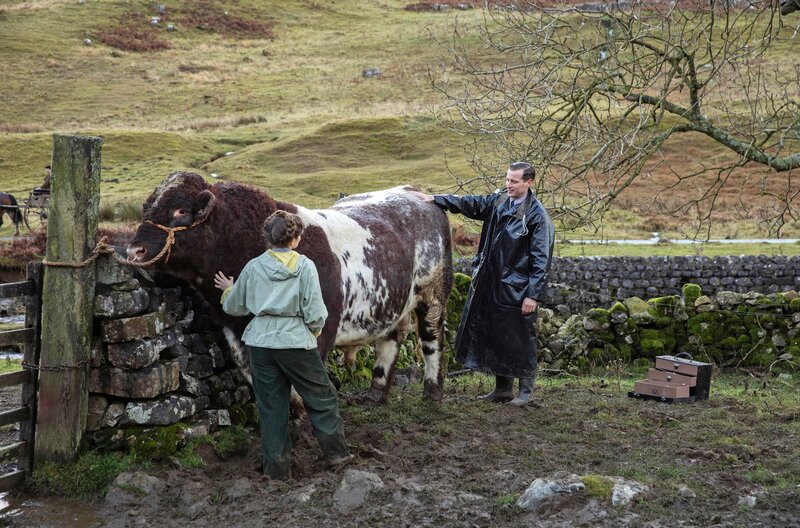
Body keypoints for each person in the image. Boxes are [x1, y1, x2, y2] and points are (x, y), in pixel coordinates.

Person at [213, 210, 352, 479]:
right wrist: (313, 332)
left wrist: (229, 289)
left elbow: (235, 306)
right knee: (321, 399)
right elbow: (315, 312)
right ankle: (337, 456)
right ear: (296, 239)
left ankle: (276, 470)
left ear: (266, 238)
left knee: (272, 407)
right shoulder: (304, 267)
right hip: (296, 342)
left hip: (261, 345)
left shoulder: (253, 267)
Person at [414, 162, 554, 406]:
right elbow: (472, 204)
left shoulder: (537, 217)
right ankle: (503, 390)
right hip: (492, 284)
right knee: (498, 336)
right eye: (507, 179)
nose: (508, 184)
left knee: (521, 338)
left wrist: (533, 295)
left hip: (518, 289)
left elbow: (542, 259)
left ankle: (527, 392)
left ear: (529, 183)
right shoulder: (500, 201)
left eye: (514, 181)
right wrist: (438, 199)